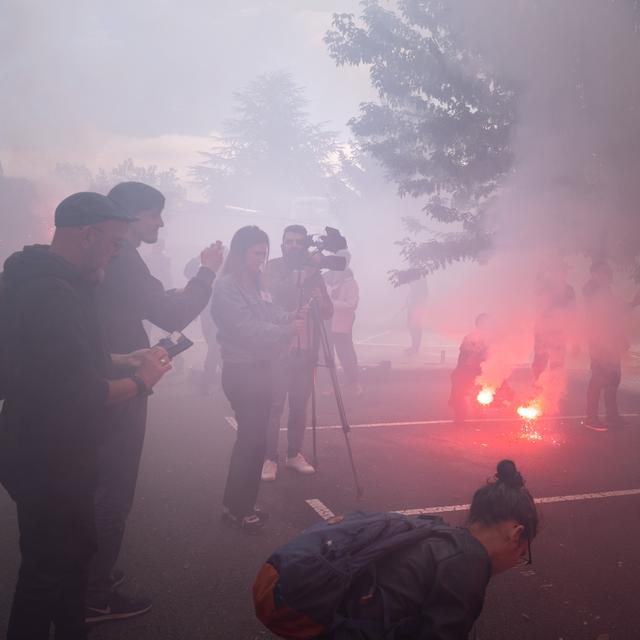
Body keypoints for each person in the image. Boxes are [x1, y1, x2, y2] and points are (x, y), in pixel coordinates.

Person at [0, 192, 171, 640]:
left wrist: (121, 358)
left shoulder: (41, 279)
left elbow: (60, 361)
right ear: (88, 235)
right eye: (115, 243)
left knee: (71, 558)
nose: (116, 254)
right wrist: (143, 381)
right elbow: (81, 395)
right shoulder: (51, 294)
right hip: (49, 457)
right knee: (45, 574)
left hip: (41, 449)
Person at [87, 182, 224, 623]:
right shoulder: (123, 256)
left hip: (102, 368)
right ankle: (94, 593)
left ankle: (93, 573)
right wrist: (205, 273)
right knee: (113, 487)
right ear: (128, 218)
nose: (161, 223)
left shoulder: (111, 255)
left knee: (97, 483)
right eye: (153, 214)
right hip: (119, 379)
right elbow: (171, 312)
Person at [255, 460, 538, 640]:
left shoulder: (436, 532)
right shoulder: (469, 562)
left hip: (327, 606)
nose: (516, 561)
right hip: (338, 624)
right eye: (522, 555)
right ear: (516, 534)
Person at [211, 225, 304, 532]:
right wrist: (287, 331)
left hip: (262, 368)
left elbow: (271, 313)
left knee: (255, 440)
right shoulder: (226, 287)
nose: (261, 259)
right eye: (256, 253)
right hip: (243, 371)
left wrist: (292, 316)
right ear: (240, 252)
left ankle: (241, 504)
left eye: (264, 253)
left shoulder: (255, 284)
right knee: (251, 440)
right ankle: (238, 508)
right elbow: (247, 329)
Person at [261, 225, 333, 482]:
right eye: (289, 241)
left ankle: (294, 453)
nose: (293, 245)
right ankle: (269, 458)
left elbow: (327, 311)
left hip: (306, 349)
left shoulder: (315, 274)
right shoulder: (272, 267)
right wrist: (303, 277)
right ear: (282, 244)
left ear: (305, 246)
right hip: (278, 349)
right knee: (274, 405)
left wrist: (320, 299)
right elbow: (275, 295)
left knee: (299, 405)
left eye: (298, 242)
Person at [583, 260, 630, 431]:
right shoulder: (591, 290)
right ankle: (591, 417)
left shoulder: (606, 291)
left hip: (610, 341)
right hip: (599, 341)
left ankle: (611, 414)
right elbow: (604, 315)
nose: (609, 276)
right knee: (599, 377)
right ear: (595, 273)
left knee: (614, 377)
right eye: (605, 272)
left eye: (609, 273)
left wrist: (620, 337)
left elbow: (614, 314)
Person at [323, 250, 362, 394]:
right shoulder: (323, 277)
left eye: (343, 260)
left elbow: (352, 305)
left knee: (346, 352)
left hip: (342, 322)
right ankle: (330, 384)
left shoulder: (351, 282)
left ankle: (354, 383)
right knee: (327, 353)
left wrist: (331, 303)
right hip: (326, 320)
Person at [531, 262, 577, 382]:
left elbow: (572, 312)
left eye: (562, 272)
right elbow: (538, 287)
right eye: (556, 272)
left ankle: (553, 393)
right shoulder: (544, 287)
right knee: (540, 362)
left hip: (560, 332)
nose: (559, 275)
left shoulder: (569, 290)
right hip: (543, 330)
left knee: (557, 364)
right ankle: (536, 390)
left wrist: (574, 337)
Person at [449, 314, 490, 422]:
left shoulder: (491, 340)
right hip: (469, 371)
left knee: (475, 394)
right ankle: (461, 416)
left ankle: (476, 415)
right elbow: (463, 357)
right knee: (460, 394)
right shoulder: (471, 338)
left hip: (480, 372)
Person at [405, 277, 429, 356]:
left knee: (416, 325)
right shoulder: (414, 278)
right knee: (411, 325)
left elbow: (424, 294)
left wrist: (418, 303)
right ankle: (414, 346)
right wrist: (408, 300)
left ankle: (415, 347)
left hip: (417, 305)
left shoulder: (421, 278)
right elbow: (412, 291)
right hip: (412, 304)